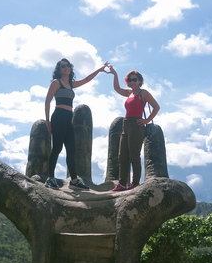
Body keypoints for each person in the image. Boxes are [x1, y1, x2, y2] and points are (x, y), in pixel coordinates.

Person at [45, 58, 108, 190]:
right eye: (63, 66)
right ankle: (50, 178)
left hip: (69, 118)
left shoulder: (70, 84)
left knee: (71, 149)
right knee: (57, 148)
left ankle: (74, 180)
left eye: (68, 66)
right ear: (59, 69)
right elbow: (47, 101)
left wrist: (100, 70)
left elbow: (86, 79)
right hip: (58, 116)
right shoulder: (56, 83)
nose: (66, 68)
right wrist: (47, 121)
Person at [107, 65, 160, 191]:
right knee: (122, 155)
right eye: (130, 80)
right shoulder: (129, 93)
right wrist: (114, 74)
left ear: (140, 81)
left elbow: (156, 107)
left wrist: (146, 120)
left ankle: (134, 183)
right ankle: (121, 184)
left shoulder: (144, 93)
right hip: (126, 124)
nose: (132, 82)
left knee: (134, 156)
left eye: (134, 79)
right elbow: (116, 88)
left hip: (137, 125)